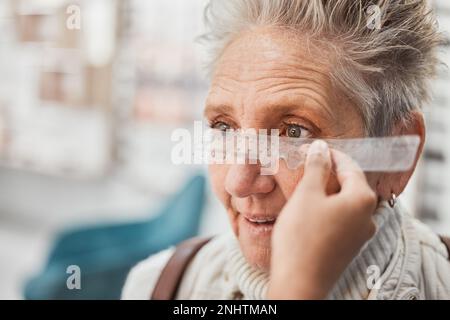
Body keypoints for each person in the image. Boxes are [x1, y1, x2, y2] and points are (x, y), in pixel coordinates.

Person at [122, 0, 450, 300]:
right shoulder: (157, 286)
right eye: (225, 127)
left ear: (396, 158)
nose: (238, 181)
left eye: (294, 132)